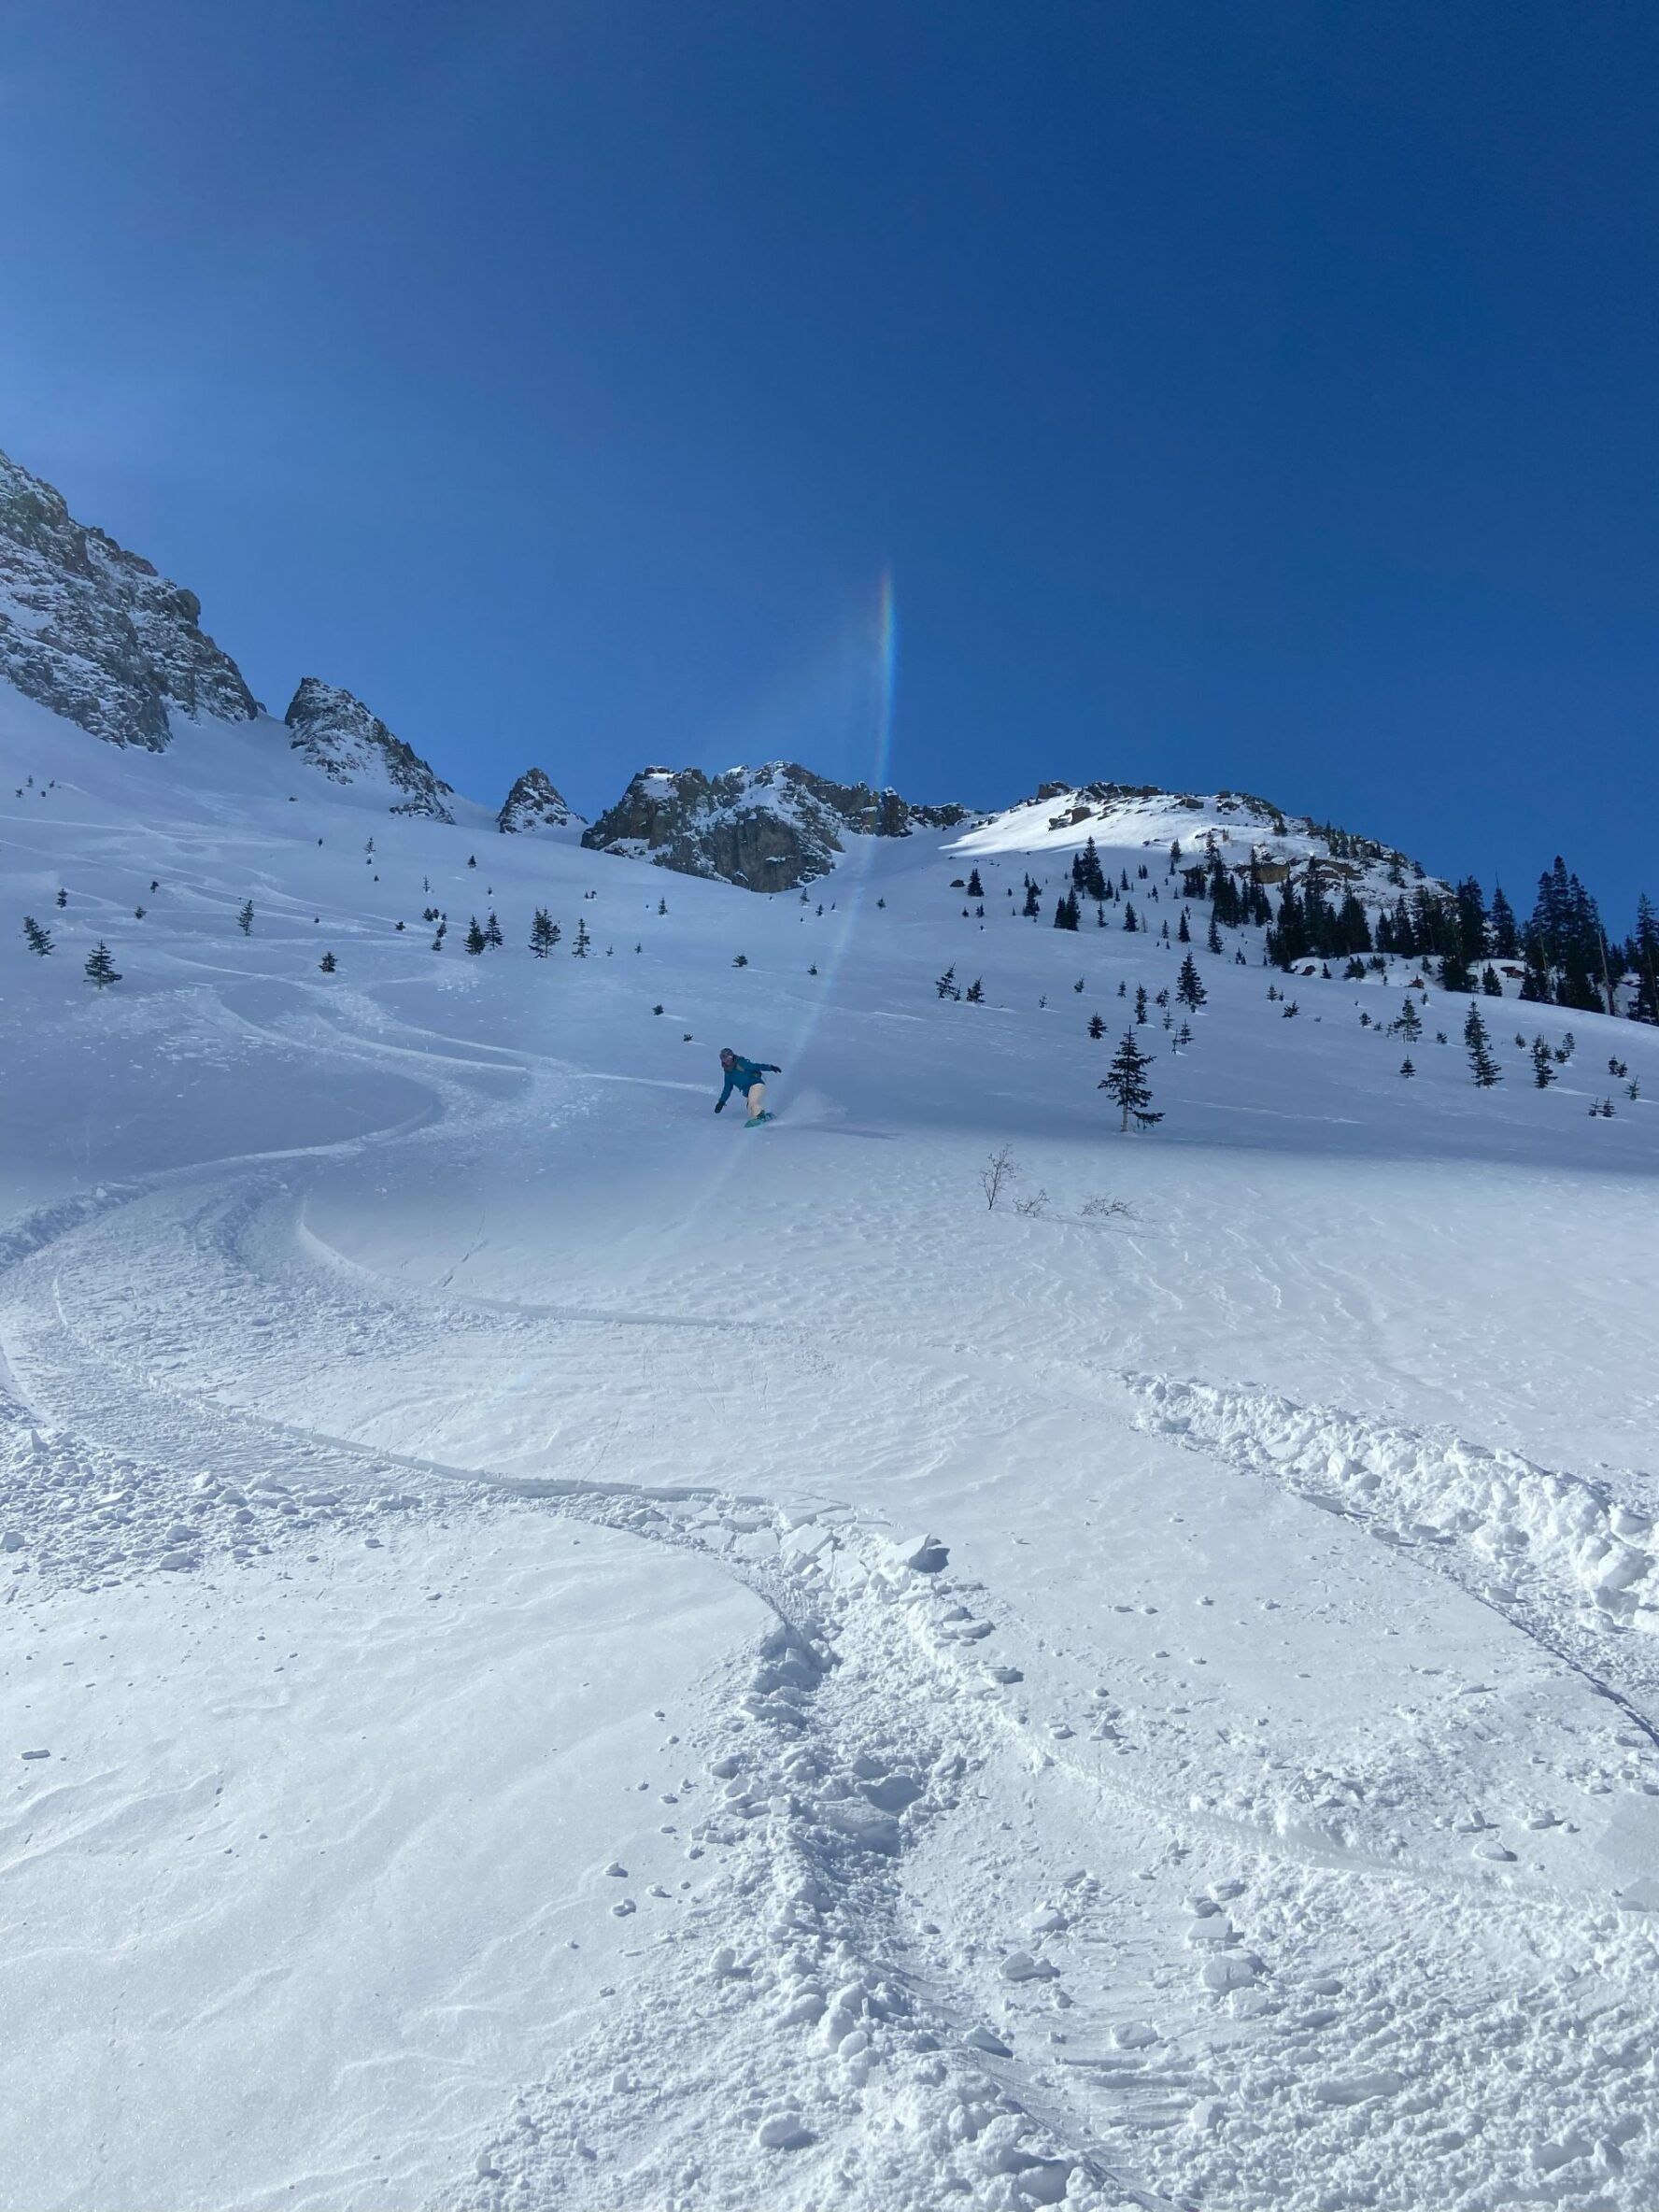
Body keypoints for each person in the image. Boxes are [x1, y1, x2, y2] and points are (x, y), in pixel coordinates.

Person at [715, 1046, 780, 1126]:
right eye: (724, 1058)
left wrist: (771, 1067)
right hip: (747, 1091)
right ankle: (766, 1117)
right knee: (751, 1111)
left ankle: (760, 1116)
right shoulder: (728, 1074)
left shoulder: (740, 1062)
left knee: (754, 1103)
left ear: (732, 1056)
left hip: (756, 1085)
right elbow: (727, 1089)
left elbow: (755, 1066)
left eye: (729, 1057)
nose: (727, 1061)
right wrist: (721, 1102)